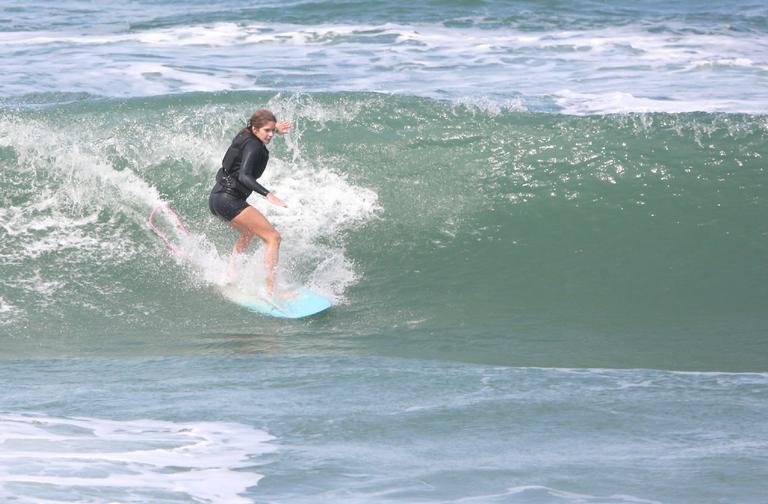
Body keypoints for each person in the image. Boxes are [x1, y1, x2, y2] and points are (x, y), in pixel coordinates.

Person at [209, 109, 291, 296]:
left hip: (217, 198)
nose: (270, 135)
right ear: (255, 129)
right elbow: (245, 176)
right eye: (267, 131)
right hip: (230, 199)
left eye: (272, 130)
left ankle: (231, 275)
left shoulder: (244, 135)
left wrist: (274, 128)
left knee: (247, 232)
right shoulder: (254, 146)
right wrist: (268, 194)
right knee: (273, 238)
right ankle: (272, 291)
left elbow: (256, 128)